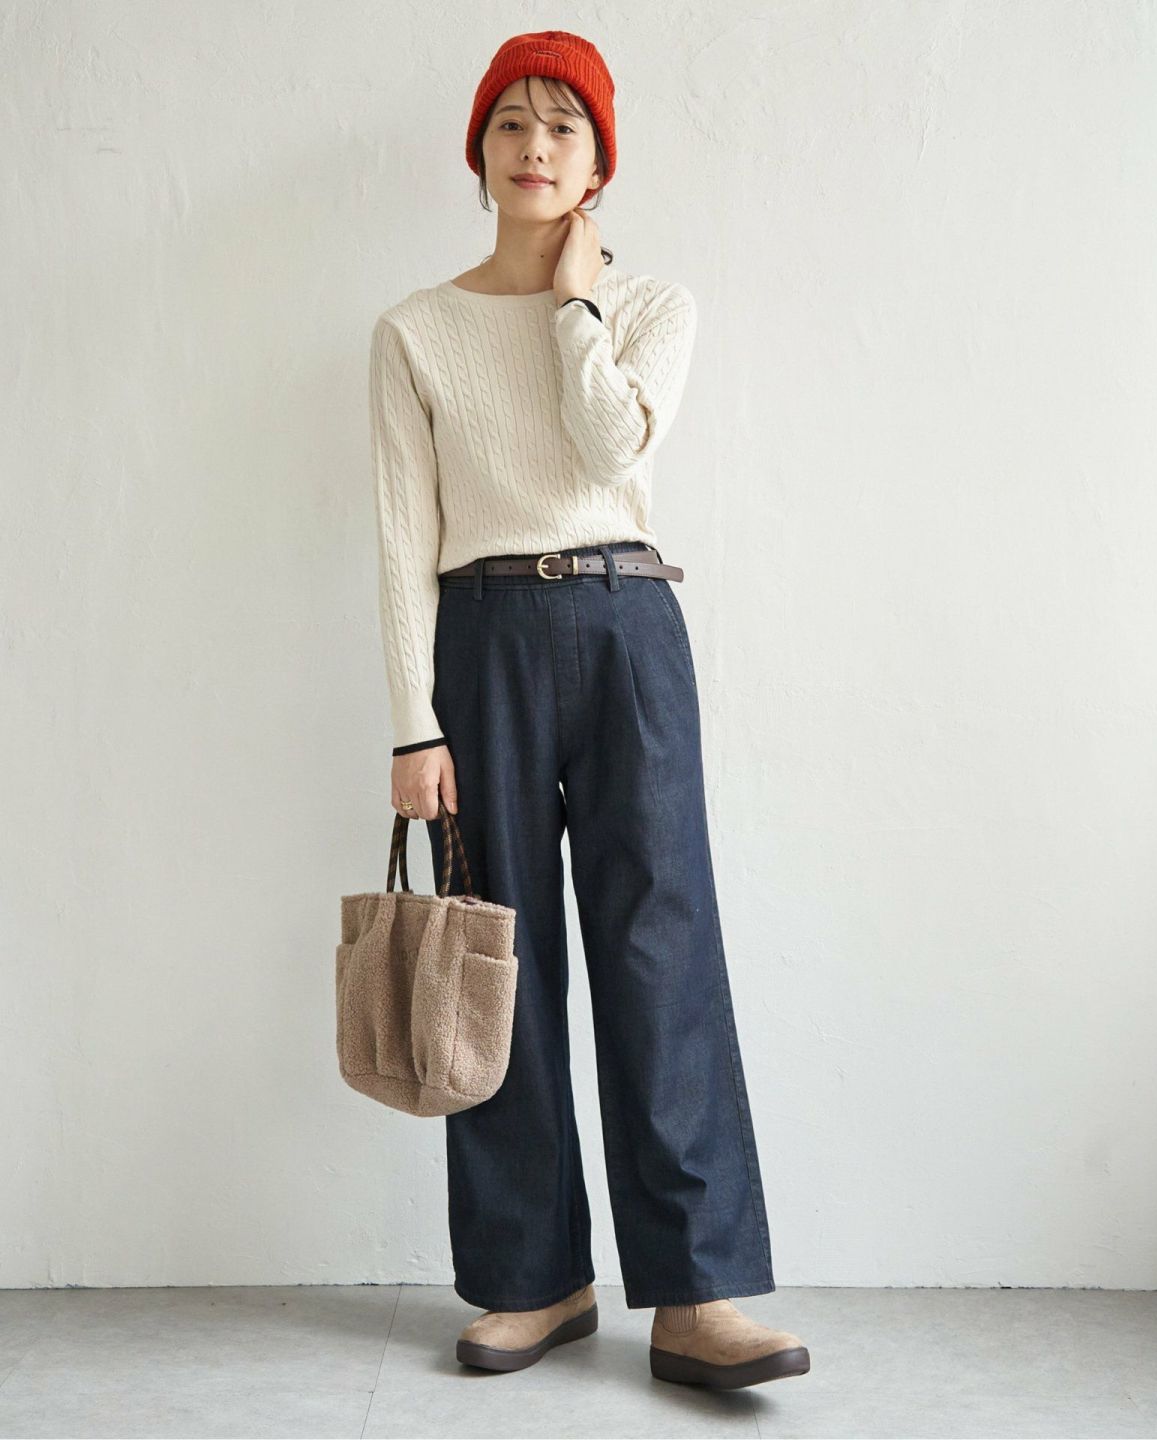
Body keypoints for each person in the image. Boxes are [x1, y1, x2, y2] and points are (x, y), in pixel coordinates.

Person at [368, 29, 809, 1390]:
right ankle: (533, 1279)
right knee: (496, 958)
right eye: (511, 122)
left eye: (564, 125)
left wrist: (575, 305)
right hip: (483, 639)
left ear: (598, 162)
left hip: (628, 627)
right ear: (479, 152)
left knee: (660, 948)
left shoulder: (652, 307)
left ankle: (696, 1293)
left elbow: (613, 441)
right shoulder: (414, 331)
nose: (535, 146)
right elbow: (401, 537)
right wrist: (412, 721)